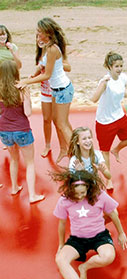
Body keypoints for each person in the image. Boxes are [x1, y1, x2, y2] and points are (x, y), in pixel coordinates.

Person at [52, 169, 127, 279]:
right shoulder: (64, 200)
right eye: (77, 194)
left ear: (89, 187)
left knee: (108, 257)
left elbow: (113, 213)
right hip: (77, 239)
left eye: (83, 192)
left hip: (99, 235)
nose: (80, 196)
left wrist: (121, 233)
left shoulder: (99, 195)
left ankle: (84, 267)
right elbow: (62, 224)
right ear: (70, 189)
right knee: (60, 259)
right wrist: (61, 244)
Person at [17, 17, 74, 164]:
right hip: (57, 90)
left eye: (39, 31)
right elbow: (42, 67)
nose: (37, 33)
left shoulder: (52, 49)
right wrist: (33, 75)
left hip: (62, 89)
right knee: (60, 122)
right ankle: (69, 150)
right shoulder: (48, 48)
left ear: (47, 33)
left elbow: (47, 75)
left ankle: (77, 157)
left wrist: (26, 81)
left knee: (61, 124)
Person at [91, 51, 127, 189]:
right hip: (105, 121)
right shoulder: (105, 81)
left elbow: (123, 93)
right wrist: (102, 85)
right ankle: (108, 180)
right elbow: (93, 99)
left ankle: (116, 150)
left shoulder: (123, 77)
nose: (119, 69)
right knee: (104, 151)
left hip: (119, 116)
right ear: (109, 66)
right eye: (116, 66)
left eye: (121, 66)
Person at [0, 60, 45, 203]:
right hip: (22, 130)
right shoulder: (22, 89)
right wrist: (28, 97)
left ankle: (14, 187)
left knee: (14, 159)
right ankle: (32, 195)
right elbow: (28, 112)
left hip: (4, 131)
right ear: (15, 72)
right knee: (30, 163)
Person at [32, 35, 71, 158]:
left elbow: (68, 67)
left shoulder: (54, 51)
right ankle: (47, 145)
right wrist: (32, 76)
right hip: (45, 92)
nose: (39, 40)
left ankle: (64, 148)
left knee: (59, 121)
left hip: (57, 90)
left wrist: (52, 62)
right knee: (46, 119)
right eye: (37, 37)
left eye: (41, 37)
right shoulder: (40, 56)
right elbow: (40, 71)